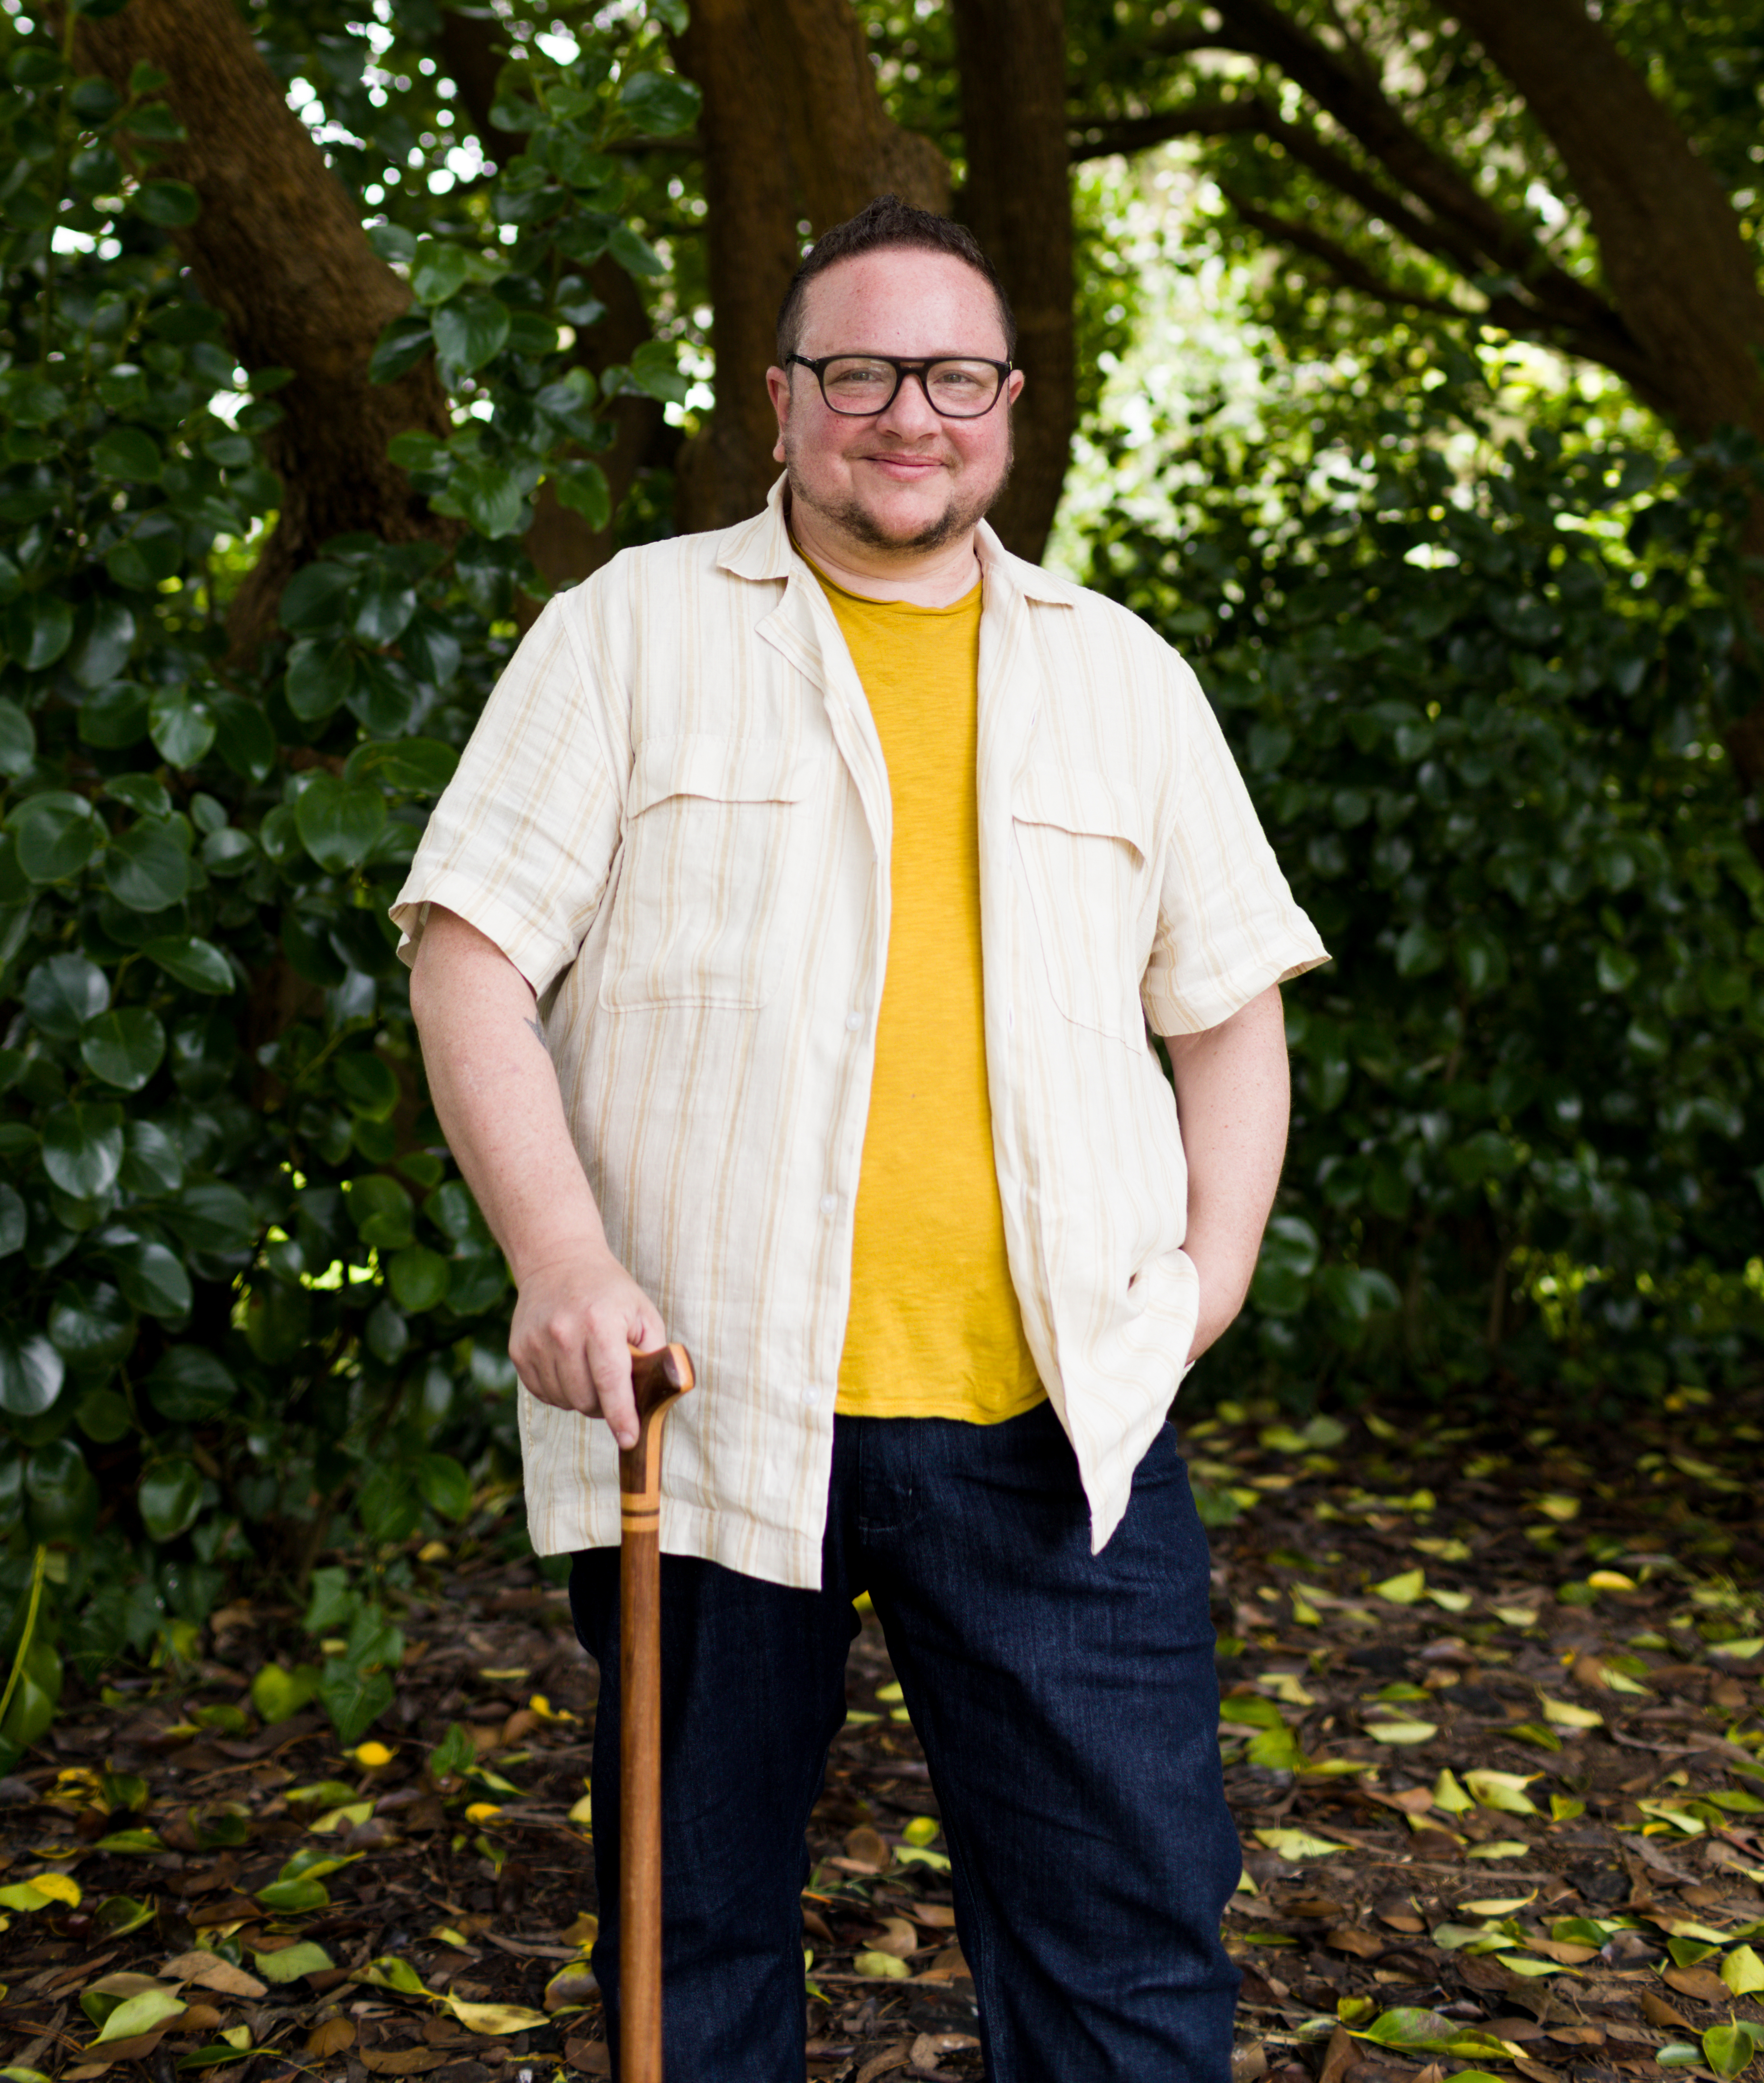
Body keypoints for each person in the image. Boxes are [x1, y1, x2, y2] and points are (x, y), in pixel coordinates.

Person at [395, 194, 1327, 2083]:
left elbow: (1228, 1005)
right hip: (711, 1411)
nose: (912, 410)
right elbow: (469, 957)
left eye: (954, 371)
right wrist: (564, 1261)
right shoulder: (627, 635)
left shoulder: (1123, 676)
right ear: (782, 397)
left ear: (1010, 400)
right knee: (695, 1943)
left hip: (1060, 1424)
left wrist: (1203, 1289)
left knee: (1133, 1955)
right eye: (862, 370)